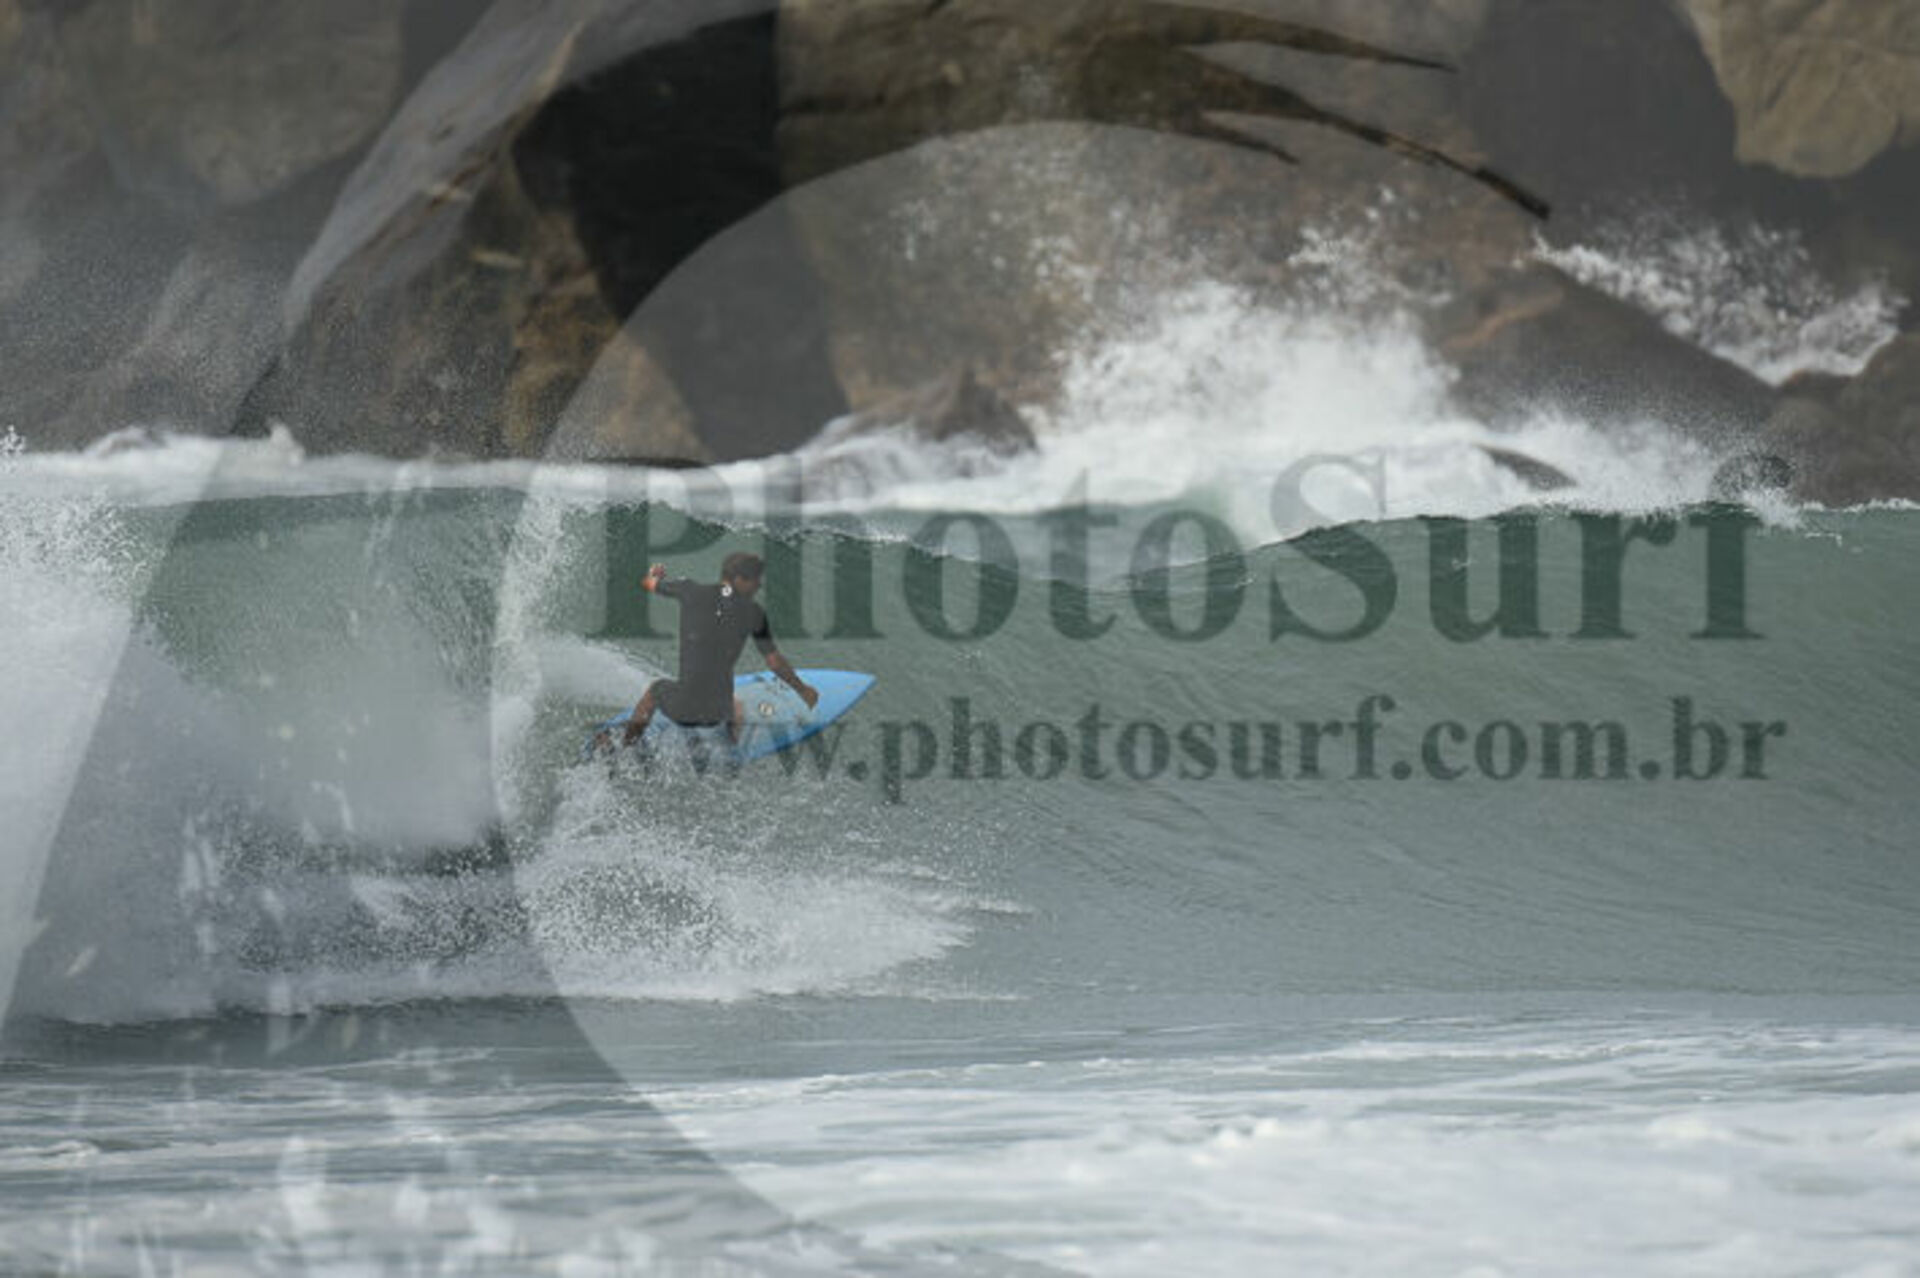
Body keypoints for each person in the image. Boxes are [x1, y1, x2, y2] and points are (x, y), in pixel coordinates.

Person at [605, 552, 817, 751]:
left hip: (683, 709)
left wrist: (654, 575)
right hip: (718, 713)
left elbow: (649, 583)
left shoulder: (690, 590)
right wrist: (803, 690)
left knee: (654, 690)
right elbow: (774, 662)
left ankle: (627, 745)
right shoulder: (754, 612)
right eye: (755, 579)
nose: (759, 584)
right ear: (738, 579)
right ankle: (733, 749)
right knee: (736, 705)